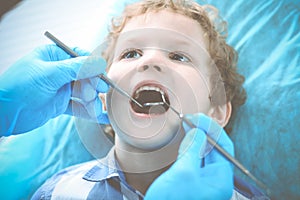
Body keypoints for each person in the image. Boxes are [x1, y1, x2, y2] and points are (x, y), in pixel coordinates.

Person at [1, 0, 269, 199]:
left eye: (179, 56)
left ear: (217, 111)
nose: (150, 60)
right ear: (103, 95)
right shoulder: (59, 191)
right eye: (131, 53)